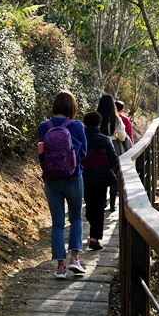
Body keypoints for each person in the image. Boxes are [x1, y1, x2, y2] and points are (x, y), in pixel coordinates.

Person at [38, 90, 88, 279]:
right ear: (72, 107)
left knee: (57, 223)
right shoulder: (76, 126)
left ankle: (60, 268)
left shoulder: (44, 126)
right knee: (75, 218)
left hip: (51, 179)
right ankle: (74, 260)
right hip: (73, 177)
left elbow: (41, 153)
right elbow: (83, 152)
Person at [80, 111, 119, 251]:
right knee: (99, 207)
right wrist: (104, 167)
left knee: (89, 205)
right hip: (102, 180)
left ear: (85, 123)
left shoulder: (81, 138)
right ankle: (94, 239)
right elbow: (113, 159)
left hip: (85, 177)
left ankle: (92, 227)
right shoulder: (105, 139)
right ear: (99, 124)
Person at [96, 94, 128, 210]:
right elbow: (122, 136)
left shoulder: (96, 117)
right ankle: (113, 203)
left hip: (99, 147)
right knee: (114, 175)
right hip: (114, 147)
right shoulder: (116, 119)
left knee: (102, 175)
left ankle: (103, 200)